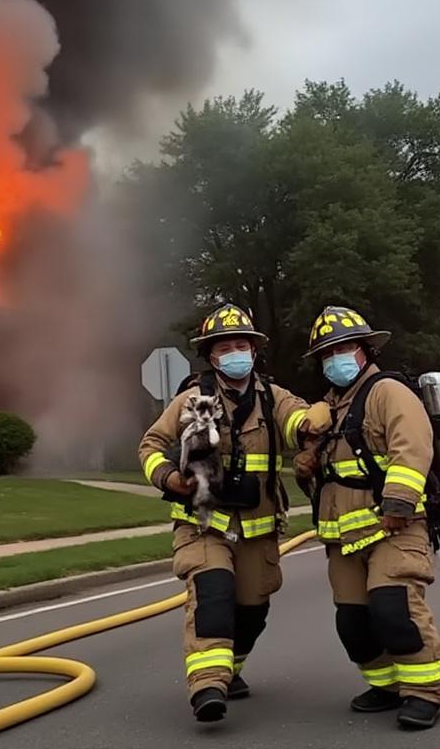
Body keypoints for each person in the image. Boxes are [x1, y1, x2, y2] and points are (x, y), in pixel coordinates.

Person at [138, 303, 313, 723]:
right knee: (213, 597)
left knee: (253, 608)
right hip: (204, 525)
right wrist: (167, 478)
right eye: (225, 347)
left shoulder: (274, 399)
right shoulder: (191, 400)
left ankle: (229, 670)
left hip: (259, 528)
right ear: (211, 356)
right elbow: (150, 446)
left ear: (254, 351)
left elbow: (298, 421)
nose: (236, 353)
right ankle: (207, 687)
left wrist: (311, 431)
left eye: (242, 345)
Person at [302, 305, 440, 731]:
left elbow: (412, 449)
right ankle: (386, 685)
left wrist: (399, 505)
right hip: (344, 536)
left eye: (344, 348)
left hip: (392, 528)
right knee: (353, 622)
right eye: (328, 353)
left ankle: (423, 692)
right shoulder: (331, 407)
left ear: (364, 350)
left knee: (394, 609)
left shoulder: (389, 393)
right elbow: (334, 470)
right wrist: (307, 463)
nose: (336, 359)